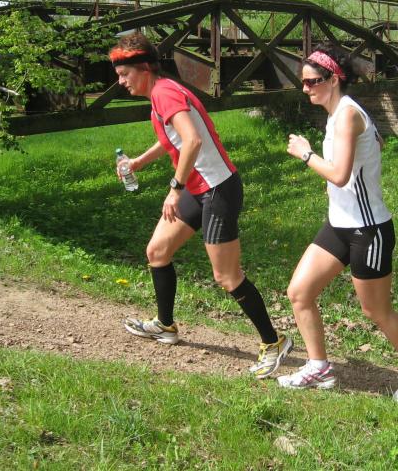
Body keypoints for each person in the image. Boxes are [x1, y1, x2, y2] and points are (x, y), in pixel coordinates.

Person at [110, 32, 291, 379]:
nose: (121, 82)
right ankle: (165, 325)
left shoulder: (163, 93)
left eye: (124, 74)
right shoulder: (161, 92)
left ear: (144, 68)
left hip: (217, 189)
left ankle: (274, 341)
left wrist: (174, 189)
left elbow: (192, 140)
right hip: (199, 188)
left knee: (227, 276)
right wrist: (139, 162)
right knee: (157, 251)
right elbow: (175, 138)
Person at [278, 44, 398, 402]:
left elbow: (340, 174)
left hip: (368, 229)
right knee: (299, 293)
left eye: (312, 82)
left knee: (375, 309)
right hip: (339, 224)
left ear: (333, 79)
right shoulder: (341, 113)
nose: (305, 88)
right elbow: (376, 142)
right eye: (303, 82)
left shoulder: (347, 114)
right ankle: (319, 367)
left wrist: (305, 153)